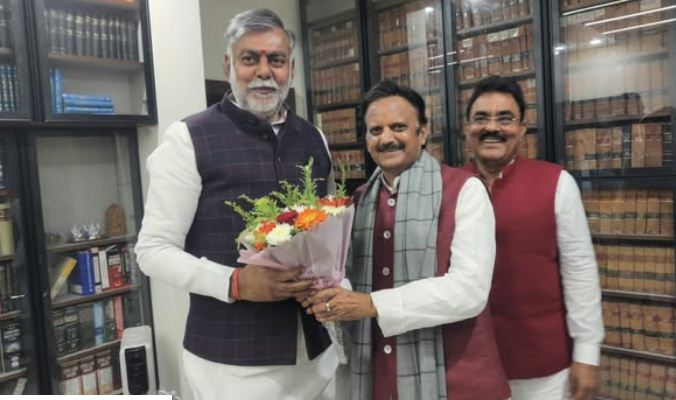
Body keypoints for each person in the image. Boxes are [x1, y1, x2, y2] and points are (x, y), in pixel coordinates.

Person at [135, 9, 339, 400]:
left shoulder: (314, 137)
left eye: (276, 59)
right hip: (231, 369)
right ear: (229, 65)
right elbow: (153, 251)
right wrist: (235, 283)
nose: (264, 71)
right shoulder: (188, 138)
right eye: (250, 58)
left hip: (316, 356)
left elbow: (326, 234)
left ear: (291, 68)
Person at [305, 80, 510, 400]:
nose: (387, 138)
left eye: (398, 127)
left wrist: (372, 304)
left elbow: (469, 291)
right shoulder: (358, 201)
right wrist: (328, 295)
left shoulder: (464, 190)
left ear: (422, 132)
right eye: (375, 130)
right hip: (376, 377)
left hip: (456, 381)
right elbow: (348, 277)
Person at [462, 75, 605, 400]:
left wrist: (587, 353)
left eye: (505, 118)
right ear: (467, 127)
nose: (492, 127)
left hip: (543, 368)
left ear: (522, 128)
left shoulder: (556, 183)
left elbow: (580, 271)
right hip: (468, 363)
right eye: (481, 118)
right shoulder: (450, 186)